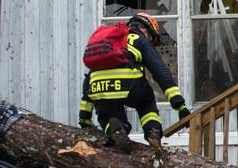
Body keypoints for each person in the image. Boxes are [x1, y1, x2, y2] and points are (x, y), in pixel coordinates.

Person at [78, 12, 190, 153]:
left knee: (108, 115)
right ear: (145, 29)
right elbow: (160, 70)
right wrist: (179, 104)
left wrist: (84, 117)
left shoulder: (110, 42)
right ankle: (152, 132)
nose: (150, 41)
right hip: (129, 85)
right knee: (146, 102)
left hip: (99, 87)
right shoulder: (138, 38)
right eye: (151, 38)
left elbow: (88, 81)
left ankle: (116, 130)